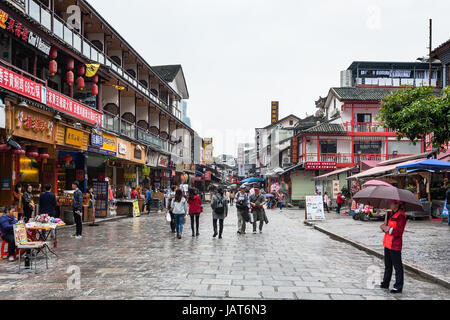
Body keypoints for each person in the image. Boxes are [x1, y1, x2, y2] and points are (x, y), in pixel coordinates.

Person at [379, 200, 407, 294]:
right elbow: (387, 227)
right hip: (387, 243)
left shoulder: (401, 216)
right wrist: (384, 227)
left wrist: (388, 229)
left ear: (397, 204)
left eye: (391, 203)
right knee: (388, 265)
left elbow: (399, 232)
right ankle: (385, 282)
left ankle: (398, 286)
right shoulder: (391, 213)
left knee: (397, 266)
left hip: (395, 244)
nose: (389, 205)